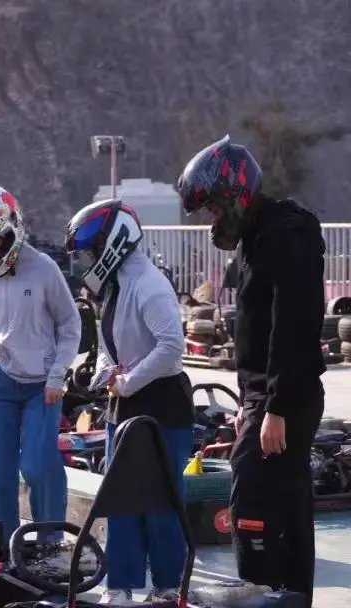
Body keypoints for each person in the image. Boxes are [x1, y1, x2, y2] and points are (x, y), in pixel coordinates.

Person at [177, 136, 325, 604]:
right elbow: (254, 334)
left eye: (213, 208)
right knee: (289, 507)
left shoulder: (286, 237)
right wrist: (250, 400)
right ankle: (289, 596)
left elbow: (293, 326)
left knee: (253, 506)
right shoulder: (255, 240)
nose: (212, 219)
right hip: (266, 396)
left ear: (233, 196)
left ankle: (263, 594)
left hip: (286, 397)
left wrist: (276, 407)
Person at [65, 199, 193, 605]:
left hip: (162, 403)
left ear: (115, 240)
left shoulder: (149, 284)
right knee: (119, 499)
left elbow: (172, 346)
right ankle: (119, 585)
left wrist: (129, 381)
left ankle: (168, 586)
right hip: (125, 402)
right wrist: (107, 375)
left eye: (92, 248)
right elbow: (109, 347)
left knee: (161, 501)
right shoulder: (115, 285)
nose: (89, 259)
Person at [0, 183, 80, 544]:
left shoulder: (43, 268)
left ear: (13, 229)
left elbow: (70, 325)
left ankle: (50, 541)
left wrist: (58, 374)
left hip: (42, 384)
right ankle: (2, 546)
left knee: (38, 465)